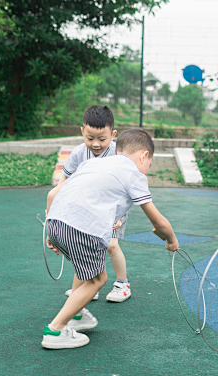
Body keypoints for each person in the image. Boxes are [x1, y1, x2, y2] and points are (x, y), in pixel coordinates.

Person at [42, 128, 179, 350]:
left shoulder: (92, 163)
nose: (147, 169)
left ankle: (76, 314)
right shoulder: (135, 174)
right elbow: (158, 222)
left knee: (84, 268)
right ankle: (55, 330)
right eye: (150, 164)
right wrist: (171, 240)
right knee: (97, 280)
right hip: (82, 229)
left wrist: (51, 229)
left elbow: (53, 194)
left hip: (57, 221)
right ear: (144, 155)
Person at [48, 105, 131, 303]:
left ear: (113, 134)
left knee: (111, 245)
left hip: (113, 208)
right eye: (89, 138)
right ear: (82, 132)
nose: (95, 144)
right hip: (87, 210)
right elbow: (63, 184)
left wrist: (118, 216)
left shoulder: (118, 154)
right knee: (89, 246)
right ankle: (90, 284)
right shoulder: (78, 153)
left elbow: (125, 188)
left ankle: (122, 284)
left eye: (102, 139)